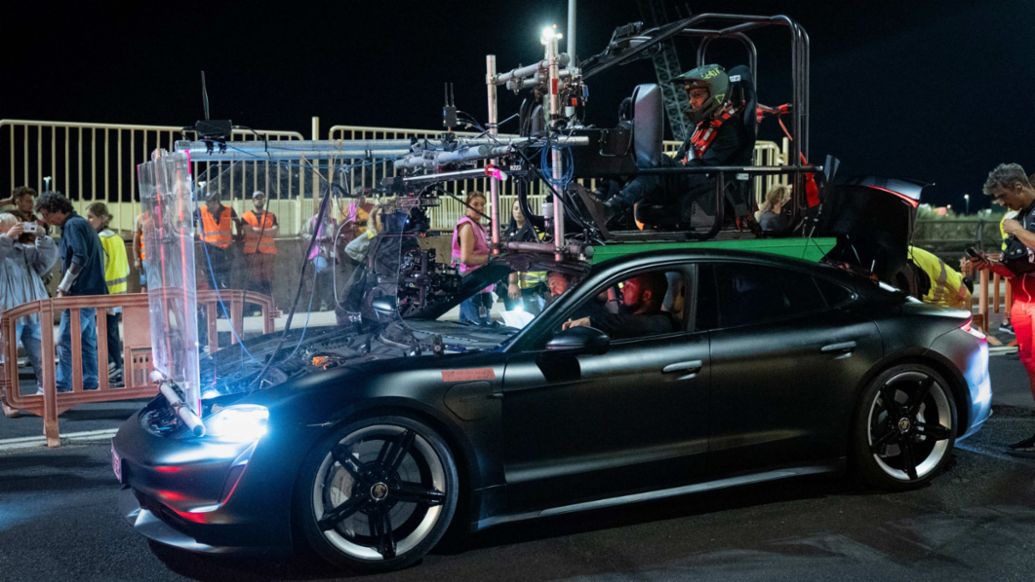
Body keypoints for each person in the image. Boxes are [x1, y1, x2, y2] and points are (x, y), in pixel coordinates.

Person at [605, 64, 754, 229]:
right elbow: (680, 157)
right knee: (639, 160)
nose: (692, 102)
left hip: (706, 182)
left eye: (696, 95)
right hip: (689, 177)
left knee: (658, 162)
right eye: (690, 96)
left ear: (715, 94)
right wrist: (667, 166)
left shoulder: (731, 128)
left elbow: (706, 167)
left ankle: (610, 208)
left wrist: (668, 166)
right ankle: (603, 200)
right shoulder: (699, 125)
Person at [969, 163, 1035, 454]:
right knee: (1033, 370)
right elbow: (1015, 269)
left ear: (1019, 187)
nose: (1000, 203)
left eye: (1002, 195)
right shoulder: (1018, 218)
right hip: (1023, 304)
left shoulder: (1019, 222)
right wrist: (991, 265)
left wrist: (1018, 230)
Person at [36, 191, 107, 392]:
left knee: (66, 339)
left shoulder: (73, 225)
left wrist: (63, 287)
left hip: (81, 292)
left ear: (58, 210)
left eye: (46, 214)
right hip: (92, 290)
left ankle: (61, 385)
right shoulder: (80, 224)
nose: (45, 219)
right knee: (86, 339)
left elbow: (79, 257)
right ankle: (90, 381)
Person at [0, 212, 57, 394]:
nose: (18, 228)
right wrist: (7, 238)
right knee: (5, 358)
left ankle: (46, 393)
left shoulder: (26, 250)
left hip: (33, 312)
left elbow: (46, 262)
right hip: (9, 313)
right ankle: (8, 398)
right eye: (12, 225)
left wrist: (42, 238)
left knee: (42, 356)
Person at [86, 202, 129, 383]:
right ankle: (117, 370)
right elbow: (126, 268)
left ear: (102, 218)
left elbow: (98, 268)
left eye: (91, 217)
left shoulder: (100, 240)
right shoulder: (117, 238)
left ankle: (114, 372)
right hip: (119, 293)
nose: (88, 221)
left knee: (104, 336)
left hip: (105, 294)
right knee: (111, 334)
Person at [563, 271, 675, 339]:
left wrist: (590, 322)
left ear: (646, 295)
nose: (622, 289)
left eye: (629, 286)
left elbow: (623, 323)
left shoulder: (660, 323)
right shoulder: (631, 317)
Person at [451, 192, 493, 325]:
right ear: (467, 206)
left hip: (480, 284)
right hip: (471, 284)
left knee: (468, 325)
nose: (480, 208)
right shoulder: (467, 226)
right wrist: (491, 259)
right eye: (475, 204)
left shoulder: (479, 226)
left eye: (482, 205)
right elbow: (466, 258)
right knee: (477, 327)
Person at [501, 200, 546, 314]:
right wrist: (513, 283)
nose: (518, 212)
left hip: (539, 286)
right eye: (515, 208)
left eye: (522, 209)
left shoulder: (537, 234)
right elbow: (510, 261)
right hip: (521, 288)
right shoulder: (508, 235)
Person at [195, 191, 241, 290]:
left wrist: (239, 236)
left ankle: (225, 299)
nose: (207, 205)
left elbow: (238, 223)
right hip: (209, 249)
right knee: (212, 276)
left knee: (225, 276)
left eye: (209, 202)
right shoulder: (202, 211)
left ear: (216, 202)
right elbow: (190, 221)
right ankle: (215, 298)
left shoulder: (229, 211)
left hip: (225, 249)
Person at [906, 245, 971, 310]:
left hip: (911, 257)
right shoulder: (956, 282)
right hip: (912, 263)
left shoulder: (948, 296)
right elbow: (967, 295)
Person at [241, 191, 278, 300]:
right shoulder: (246, 216)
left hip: (268, 253)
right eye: (257, 198)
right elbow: (248, 232)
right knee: (254, 279)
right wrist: (267, 231)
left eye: (261, 198)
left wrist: (256, 230)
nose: (259, 200)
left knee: (267, 279)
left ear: (264, 200)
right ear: (253, 200)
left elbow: (274, 232)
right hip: (252, 253)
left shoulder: (271, 216)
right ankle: (256, 306)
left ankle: (269, 304)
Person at [305, 204, 340, 311]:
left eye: (329, 207)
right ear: (319, 208)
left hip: (331, 253)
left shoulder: (333, 221)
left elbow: (338, 235)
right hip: (318, 253)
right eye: (324, 207)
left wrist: (336, 239)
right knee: (322, 276)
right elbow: (303, 234)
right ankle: (322, 303)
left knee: (329, 280)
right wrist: (318, 238)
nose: (326, 209)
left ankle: (329, 303)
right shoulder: (312, 220)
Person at [132, 209, 153, 291]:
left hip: (160, 261)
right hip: (145, 260)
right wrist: (137, 259)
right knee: (144, 286)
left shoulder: (163, 215)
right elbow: (136, 242)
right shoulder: (141, 218)